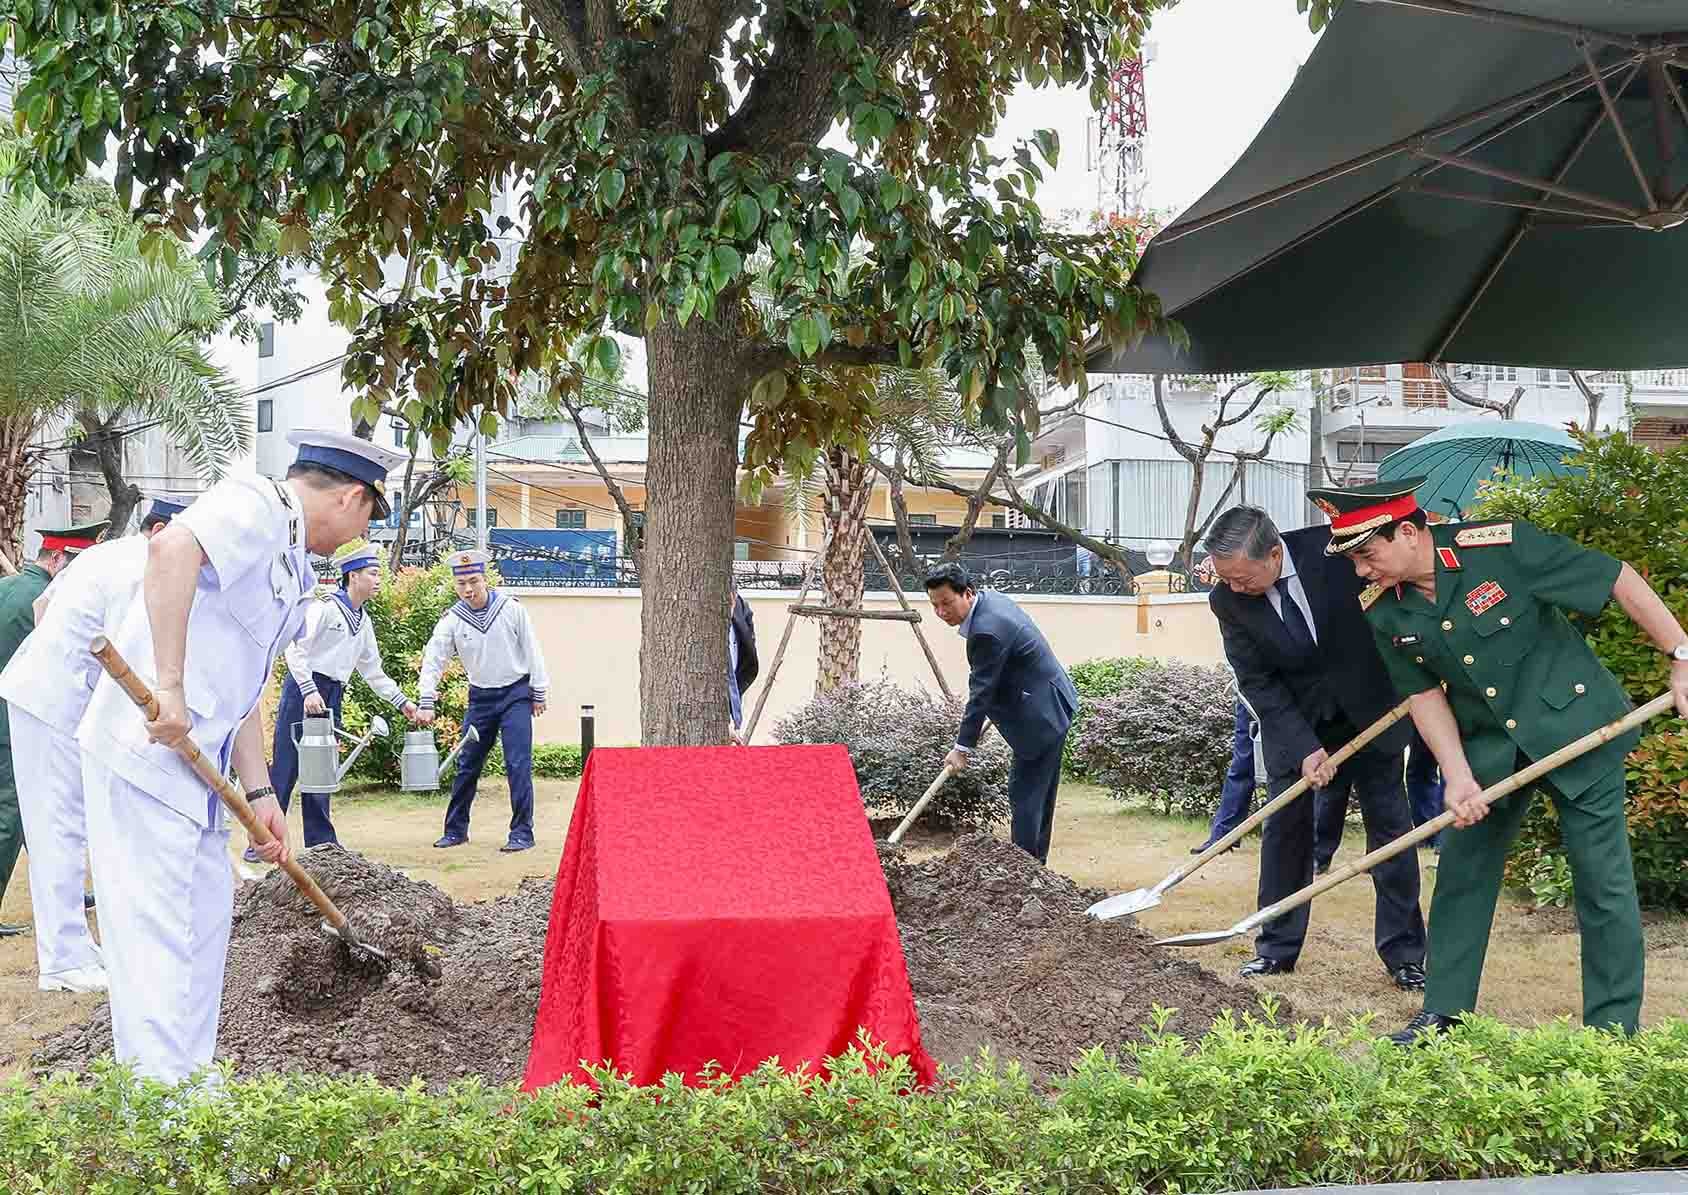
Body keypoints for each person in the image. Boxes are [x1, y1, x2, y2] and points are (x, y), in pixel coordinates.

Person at [75, 430, 403, 1084]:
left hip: (196, 773)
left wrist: (261, 794)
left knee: (202, 931)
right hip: (146, 752)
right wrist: (167, 684)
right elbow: (170, 549)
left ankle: (191, 1086)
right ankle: (158, 1110)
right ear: (349, 496)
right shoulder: (257, 503)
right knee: (156, 940)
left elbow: (246, 682)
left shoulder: (293, 563)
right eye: (367, 519)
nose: (356, 539)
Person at [1313, 476, 1688, 1045]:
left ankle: (1612, 1031)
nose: (1363, 571)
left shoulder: (1501, 547)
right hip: (1487, 749)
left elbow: (1614, 577)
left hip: (1576, 725)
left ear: (1409, 532)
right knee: (1461, 875)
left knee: (1602, 882)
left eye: (1368, 554)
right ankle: (1443, 1013)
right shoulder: (1383, 610)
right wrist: (1456, 776)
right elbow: (1424, 695)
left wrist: (1680, 654)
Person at [1204, 505, 1427, 990]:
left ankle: (1406, 954)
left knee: (1391, 830)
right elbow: (1258, 683)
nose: (1236, 588)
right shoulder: (1227, 601)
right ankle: (1276, 948)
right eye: (1227, 580)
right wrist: (1304, 746)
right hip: (1297, 720)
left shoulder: (1333, 550)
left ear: (1275, 552)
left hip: (1371, 709)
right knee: (1285, 832)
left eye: (1243, 577)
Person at [0, 503, 180, 989]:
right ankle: (62, 962)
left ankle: (77, 947)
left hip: (49, 692)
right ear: (160, 532)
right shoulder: (142, 571)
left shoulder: (108, 555)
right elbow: (127, 660)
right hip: (52, 701)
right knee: (58, 827)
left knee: (68, 823)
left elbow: (44, 610)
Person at [246, 540, 424, 862]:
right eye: (373, 573)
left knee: (322, 770)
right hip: (304, 691)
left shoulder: (363, 621)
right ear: (353, 576)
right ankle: (261, 839)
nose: (378, 579)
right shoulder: (325, 608)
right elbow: (295, 649)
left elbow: (373, 671)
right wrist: (308, 690)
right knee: (287, 766)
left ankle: (321, 845)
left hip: (333, 694)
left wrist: (403, 702)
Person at [927, 562, 1079, 864]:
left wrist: (962, 748)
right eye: (934, 605)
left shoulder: (986, 631)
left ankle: (1023, 872)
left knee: (1025, 796)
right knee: (1039, 797)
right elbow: (1000, 674)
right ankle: (1036, 867)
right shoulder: (991, 601)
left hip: (1040, 717)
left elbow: (980, 693)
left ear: (967, 593)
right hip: (1051, 701)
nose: (941, 612)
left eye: (946, 603)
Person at [0, 524, 108, 938]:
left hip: (10, 713)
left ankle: (63, 889)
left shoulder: (10, 587)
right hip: (16, 719)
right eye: (74, 565)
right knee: (13, 811)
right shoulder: (43, 601)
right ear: (59, 559)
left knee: (35, 810)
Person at [417, 549, 550, 851]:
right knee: (467, 765)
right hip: (481, 699)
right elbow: (434, 659)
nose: (468, 589)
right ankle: (455, 831)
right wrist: (427, 698)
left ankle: (521, 833)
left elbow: (532, 649)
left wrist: (539, 691)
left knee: (518, 764)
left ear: (485, 579)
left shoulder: (511, 608)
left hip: (516, 694)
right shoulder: (452, 619)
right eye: (461, 583)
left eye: (473, 581)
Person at [1191, 700, 1258, 854]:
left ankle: (1316, 850)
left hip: (1289, 691)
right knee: (1242, 766)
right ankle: (1222, 837)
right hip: (1250, 693)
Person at [727, 575, 759, 745]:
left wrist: (733, 714)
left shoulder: (742, 610)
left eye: (730, 601)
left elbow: (746, 665)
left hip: (733, 705)